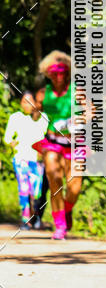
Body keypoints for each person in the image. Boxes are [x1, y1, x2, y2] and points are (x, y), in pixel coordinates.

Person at [33, 51, 82, 240]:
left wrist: (75, 121)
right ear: (48, 73)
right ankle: (60, 225)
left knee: (74, 188)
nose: (58, 76)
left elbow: (92, 111)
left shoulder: (77, 90)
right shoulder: (43, 93)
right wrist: (34, 110)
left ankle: (67, 209)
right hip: (52, 143)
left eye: (62, 71)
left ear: (68, 71)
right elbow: (35, 113)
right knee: (54, 181)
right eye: (54, 72)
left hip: (75, 144)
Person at [3, 91, 48, 229]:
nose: (27, 105)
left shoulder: (43, 118)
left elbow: (49, 136)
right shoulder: (15, 117)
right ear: (20, 103)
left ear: (35, 103)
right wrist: (11, 143)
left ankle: (36, 217)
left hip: (37, 160)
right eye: (24, 102)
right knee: (24, 190)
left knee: (36, 192)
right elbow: (7, 137)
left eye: (30, 102)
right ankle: (25, 220)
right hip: (20, 159)